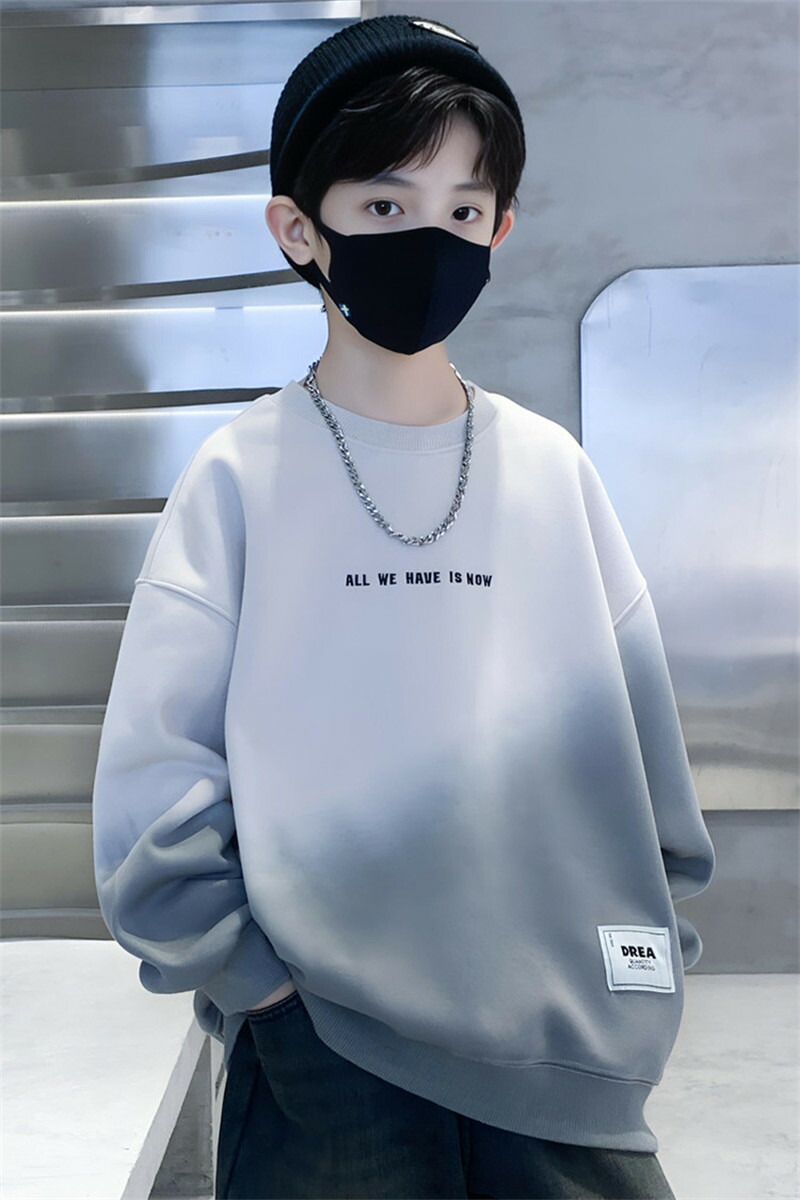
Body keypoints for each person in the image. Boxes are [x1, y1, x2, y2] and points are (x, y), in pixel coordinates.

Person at [91, 13, 716, 1199]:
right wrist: (266, 996)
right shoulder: (237, 480)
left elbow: (645, 782)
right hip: (327, 1060)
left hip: (565, 1063)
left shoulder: (550, 473)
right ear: (297, 229)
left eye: (461, 210)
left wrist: (640, 974)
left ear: (498, 229)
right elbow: (152, 803)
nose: (427, 238)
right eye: (382, 204)